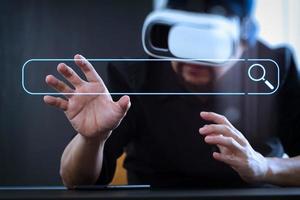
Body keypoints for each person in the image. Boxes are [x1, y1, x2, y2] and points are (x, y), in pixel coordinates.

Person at [44, 0, 300, 188]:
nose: (193, 58)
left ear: (243, 44)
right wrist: (92, 140)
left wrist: (265, 166)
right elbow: (75, 181)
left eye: (210, 43)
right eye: (183, 40)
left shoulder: (274, 67)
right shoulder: (137, 76)